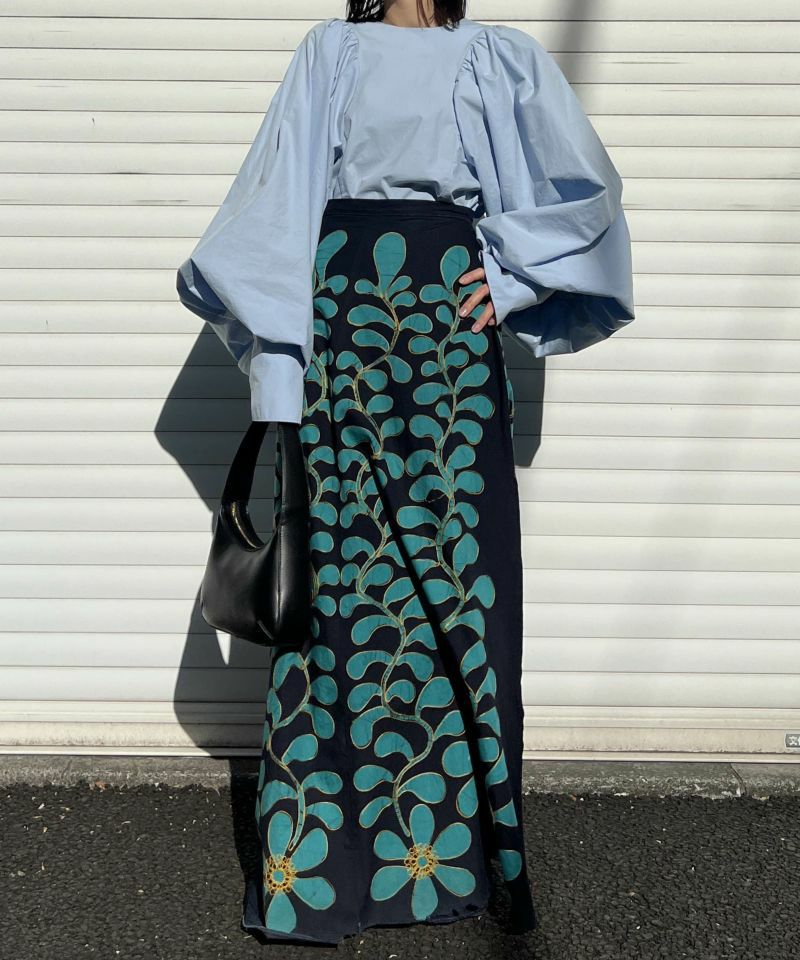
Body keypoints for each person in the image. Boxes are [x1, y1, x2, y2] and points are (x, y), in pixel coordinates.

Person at [176, 0, 634, 945]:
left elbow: (585, 192)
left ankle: (457, 858)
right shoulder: (330, 52)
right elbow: (275, 210)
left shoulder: (497, 59)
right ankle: (323, 873)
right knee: (336, 590)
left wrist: (508, 276)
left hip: (448, 352)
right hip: (343, 335)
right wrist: (279, 384)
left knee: (462, 590)